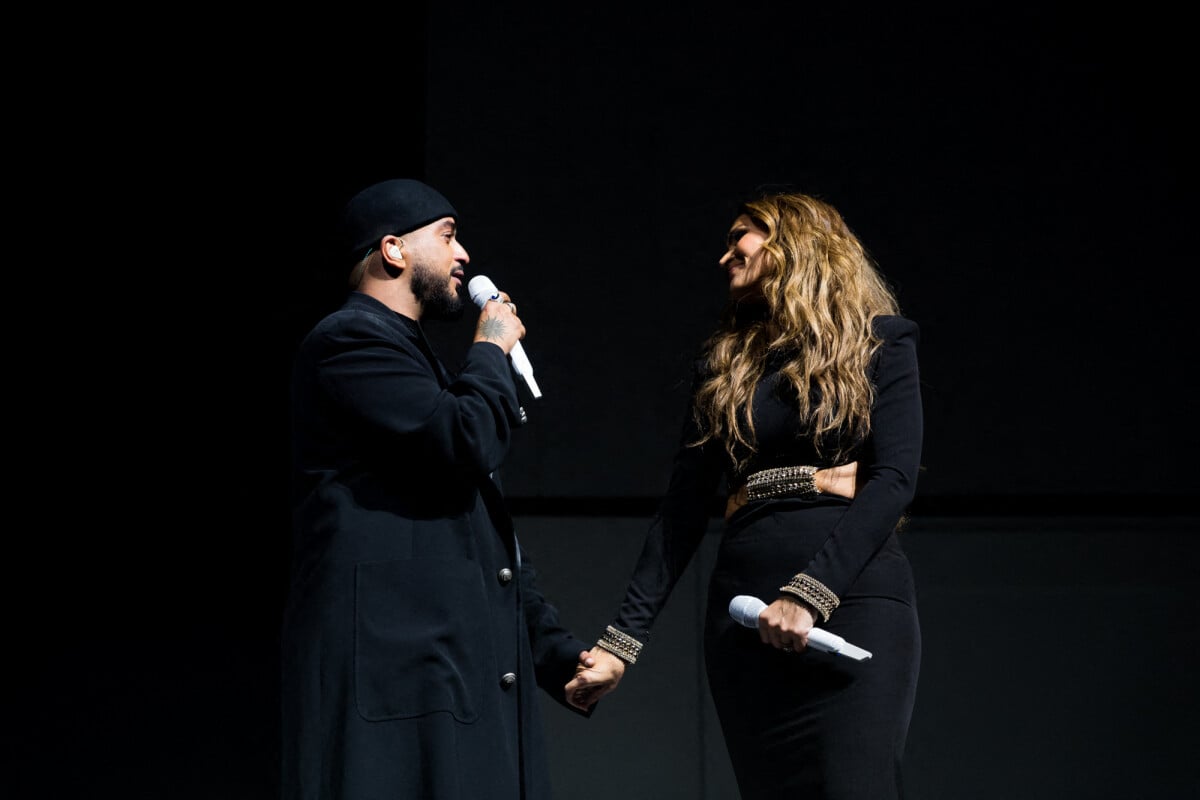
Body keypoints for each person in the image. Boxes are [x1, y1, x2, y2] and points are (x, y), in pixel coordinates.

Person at [566, 189, 923, 799]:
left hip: (853, 606)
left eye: (741, 236)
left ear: (795, 244)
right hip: (741, 622)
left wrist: (809, 595)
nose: (725, 254)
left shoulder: (881, 343)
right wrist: (620, 643)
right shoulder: (725, 367)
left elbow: (892, 480)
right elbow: (680, 513)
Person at [281, 178, 611, 799]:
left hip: (452, 676)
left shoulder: (421, 361)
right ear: (394, 250)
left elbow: (481, 532)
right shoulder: (347, 343)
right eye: (448, 235)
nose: (464, 255)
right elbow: (465, 441)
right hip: (403, 686)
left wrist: (554, 653)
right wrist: (488, 349)